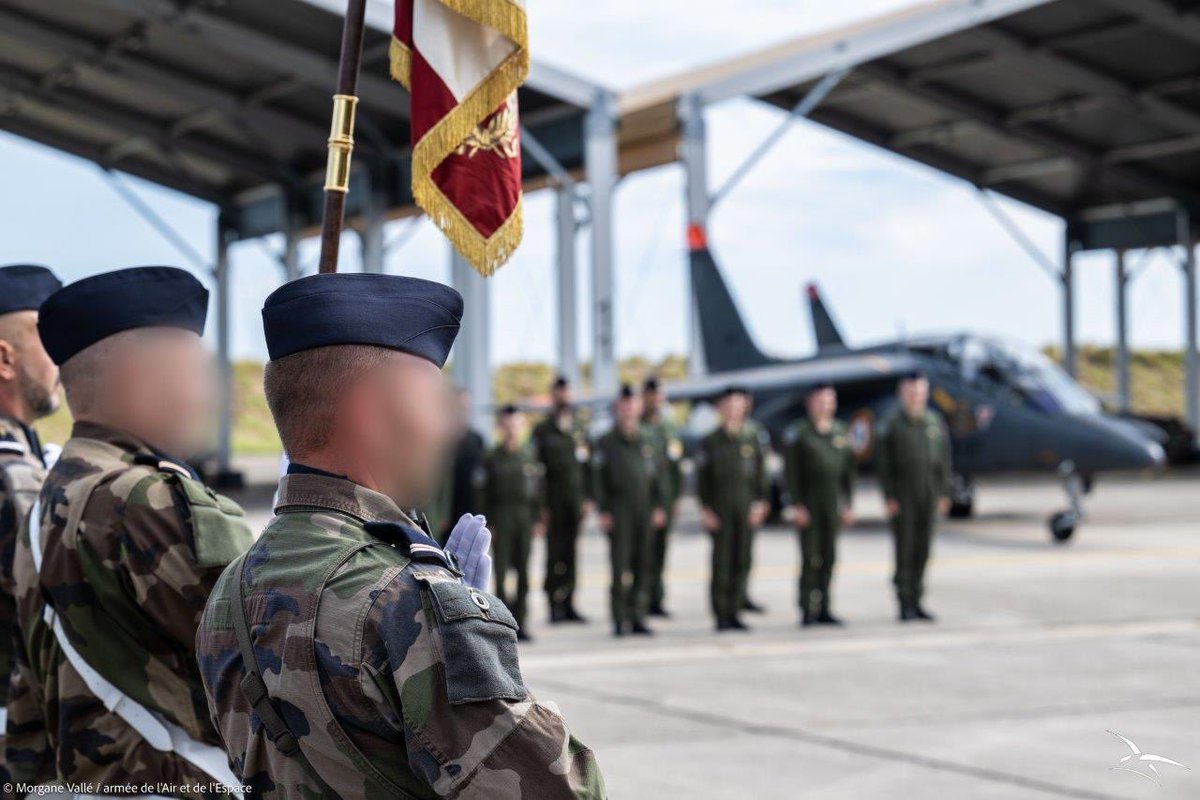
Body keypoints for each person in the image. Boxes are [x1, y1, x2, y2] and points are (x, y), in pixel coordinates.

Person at [196, 273, 604, 798]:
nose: (448, 430)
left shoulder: (231, 587)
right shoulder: (404, 600)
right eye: (433, 404)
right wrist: (474, 636)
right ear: (371, 416)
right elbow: (562, 791)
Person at [6, 266, 254, 794]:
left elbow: (28, 699)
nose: (209, 396)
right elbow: (278, 669)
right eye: (196, 373)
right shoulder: (149, 501)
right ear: (140, 378)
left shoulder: (52, 492)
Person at [0, 265, 62, 751]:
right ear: (6, 358)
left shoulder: (28, 455)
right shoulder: (12, 472)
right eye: (49, 339)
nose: (64, 356)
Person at [590, 386, 667, 638]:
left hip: (645, 509)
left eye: (632, 404)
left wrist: (659, 506)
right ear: (617, 408)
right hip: (619, 509)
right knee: (619, 566)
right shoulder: (607, 441)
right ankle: (619, 617)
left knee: (643, 564)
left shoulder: (651, 438)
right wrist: (603, 510)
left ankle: (638, 616)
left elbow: (659, 476)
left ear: (639, 407)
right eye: (624, 404)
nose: (629, 409)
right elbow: (597, 478)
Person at [876, 371, 952, 622]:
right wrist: (889, 496)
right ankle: (904, 601)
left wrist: (944, 493)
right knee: (905, 550)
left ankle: (918, 600)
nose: (916, 396)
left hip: (929, 494)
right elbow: (884, 465)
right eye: (911, 392)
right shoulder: (892, 424)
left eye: (920, 391)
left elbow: (943, 461)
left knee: (923, 549)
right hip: (903, 495)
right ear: (902, 394)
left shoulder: (934, 421)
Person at [696, 386, 769, 632]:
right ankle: (721, 613)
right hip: (720, 510)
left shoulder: (753, 437)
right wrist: (705, 509)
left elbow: (761, 475)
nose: (733, 410)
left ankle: (736, 609)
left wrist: (761, 502)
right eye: (728, 405)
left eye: (738, 405)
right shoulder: (710, 441)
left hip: (746, 508)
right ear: (720, 409)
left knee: (742, 561)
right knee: (722, 563)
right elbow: (702, 480)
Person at [782, 383, 855, 627]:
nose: (825, 405)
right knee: (810, 559)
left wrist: (848, 505)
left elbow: (848, 474)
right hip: (809, 506)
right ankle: (806, 609)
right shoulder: (799, 434)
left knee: (829, 558)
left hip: (832, 506)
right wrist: (796, 505)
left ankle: (824, 607)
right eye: (820, 400)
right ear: (810, 403)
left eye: (829, 401)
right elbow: (791, 474)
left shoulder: (840, 432)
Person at [478, 405, 542, 641]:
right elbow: (483, 493)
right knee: (502, 572)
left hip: (524, 517)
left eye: (516, 424)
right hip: (501, 517)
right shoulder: (492, 458)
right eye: (508, 424)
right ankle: (503, 623)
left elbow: (537, 490)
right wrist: (488, 522)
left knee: (524, 571)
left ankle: (522, 621)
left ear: (522, 426)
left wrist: (537, 518)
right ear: (501, 427)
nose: (512, 428)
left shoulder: (529, 457)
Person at [531, 376, 590, 623]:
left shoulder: (579, 429)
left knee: (572, 553)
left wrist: (588, 498)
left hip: (574, 503)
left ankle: (570, 602)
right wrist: (541, 506)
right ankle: (554, 602)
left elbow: (588, 468)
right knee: (554, 554)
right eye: (559, 393)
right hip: (552, 503)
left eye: (567, 393)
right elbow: (535, 471)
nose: (564, 397)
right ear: (553, 396)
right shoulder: (542, 431)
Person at [640, 377, 682, 617]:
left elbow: (674, 466)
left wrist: (674, 499)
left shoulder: (667, 427)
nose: (656, 399)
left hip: (665, 501)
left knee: (660, 553)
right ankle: (643, 599)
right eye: (652, 395)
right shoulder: (639, 426)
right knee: (644, 554)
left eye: (660, 395)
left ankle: (657, 599)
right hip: (646, 502)